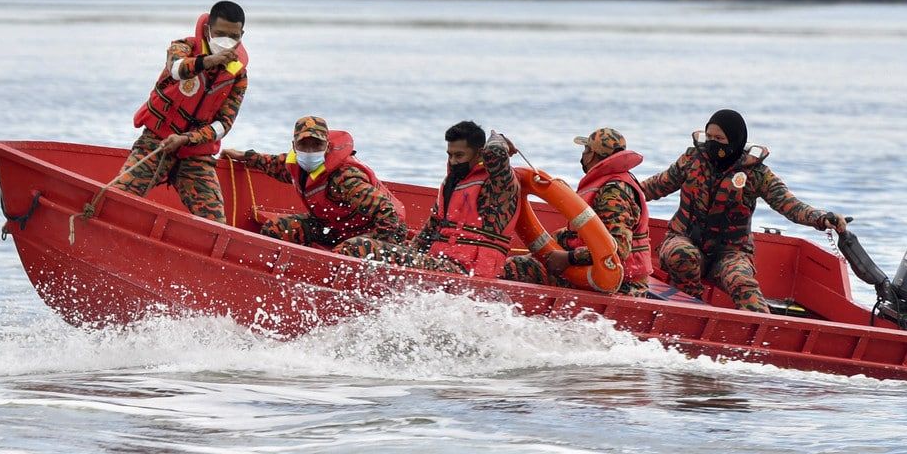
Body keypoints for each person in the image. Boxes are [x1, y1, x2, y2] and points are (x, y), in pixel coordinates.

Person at [641, 109, 848, 311]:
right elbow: (655, 186)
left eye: (719, 139)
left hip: (730, 252)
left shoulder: (756, 174)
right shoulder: (692, 159)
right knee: (681, 254)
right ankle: (688, 310)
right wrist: (623, 192)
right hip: (684, 239)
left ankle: (763, 333)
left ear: (734, 141)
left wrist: (821, 219)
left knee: (742, 282)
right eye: (709, 136)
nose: (712, 143)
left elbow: (789, 204)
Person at [114, 1, 248, 222]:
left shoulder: (239, 76)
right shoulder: (182, 47)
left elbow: (223, 125)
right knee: (118, 198)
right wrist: (209, 61)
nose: (226, 41)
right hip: (157, 143)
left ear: (241, 35)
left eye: (233, 36)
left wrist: (186, 139)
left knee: (216, 223)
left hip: (196, 154)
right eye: (220, 33)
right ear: (208, 31)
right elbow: (176, 69)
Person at [335, 120, 520, 278]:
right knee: (373, 244)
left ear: (479, 154)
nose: (454, 161)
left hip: (468, 271)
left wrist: (499, 138)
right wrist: (401, 249)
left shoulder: (498, 184)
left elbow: (496, 152)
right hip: (442, 262)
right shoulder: (452, 183)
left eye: (460, 155)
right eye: (450, 155)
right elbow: (430, 231)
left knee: (359, 247)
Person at [502, 128, 651, 297]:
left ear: (591, 154)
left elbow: (617, 250)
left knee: (515, 268)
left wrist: (569, 258)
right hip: (591, 271)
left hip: (620, 284)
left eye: (585, 150)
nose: (582, 156)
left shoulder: (614, 193)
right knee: (527, 261)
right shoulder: (608, 183)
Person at [221, 116, 407, 248]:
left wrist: (380, 247)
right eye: (304, 145)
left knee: (347, 251)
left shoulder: (346, 178)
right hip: (334, 227)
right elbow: (273, 164)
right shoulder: (297, 164)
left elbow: (387, 213)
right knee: (277, 228)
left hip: (376, 230)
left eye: (316, 145)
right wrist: (243, 156)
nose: (310, 151)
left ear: (327, 146)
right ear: (294, 146)